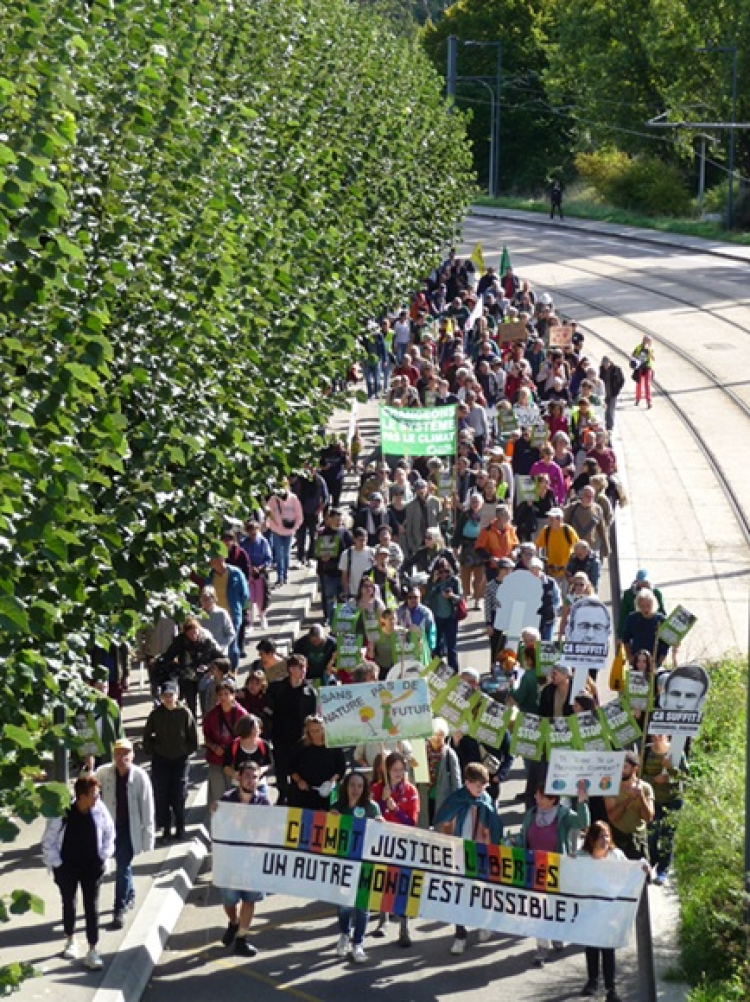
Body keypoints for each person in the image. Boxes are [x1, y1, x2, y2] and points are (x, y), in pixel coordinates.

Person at [42, 774, 115, 970]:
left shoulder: (99, 809)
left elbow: (109, 832)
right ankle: (70, 940)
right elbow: (48, 840)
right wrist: (58, 864)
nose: (97, 798)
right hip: (68, 866)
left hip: (92, 866)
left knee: (92, 906)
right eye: (93, 794)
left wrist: (103, 857)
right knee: (69, 902)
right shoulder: (63, 813)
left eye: (97, 794)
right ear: (81, 796)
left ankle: (92, 950)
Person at [434, 762, 502, 956]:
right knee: (459, 895)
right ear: (467, 783)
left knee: (480, 891)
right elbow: (442, 820)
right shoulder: (456, 800)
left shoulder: (485, 799)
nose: (481, 790)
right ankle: (460, 934)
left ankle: (483, 923)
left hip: (479, 852)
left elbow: (495, 825)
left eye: (484, 786)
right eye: (478, 786)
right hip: (458, 853)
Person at [521, 780, 590, 967]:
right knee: (538, 909)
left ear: (553, 800)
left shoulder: (564, 815)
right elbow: (523, 839)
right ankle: (541, 948)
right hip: (535, 869)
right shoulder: (530, 815)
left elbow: (583, 823)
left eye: (541, 796)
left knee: (556, 907)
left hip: (558, 869)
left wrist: (582, 802)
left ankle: (557, 935)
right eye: (536, 795)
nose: (537, 798)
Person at [96, 738, 155, 929]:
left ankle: (118, 909)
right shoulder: (103, 773)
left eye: (126, 754)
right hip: (110, 828)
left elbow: (147, 809)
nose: (122, 758)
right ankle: (129, 893)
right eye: (118, 754)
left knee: (122, 865)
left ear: (132, 755)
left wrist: (148, 836)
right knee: (121, 866)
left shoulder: (139, 777)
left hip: (130, 829)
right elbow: (92, 795)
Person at [214, 761, 270, 956]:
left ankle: (242, 938)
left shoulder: (263, 802)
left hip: (252, 862)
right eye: (247, 776)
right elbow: (218, 827)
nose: (251, 781)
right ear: (239, 777)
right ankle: (234, 922)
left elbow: (268, 829)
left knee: (249, 899)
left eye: (255, 777)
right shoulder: (227, 800)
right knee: (229, 900)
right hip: (230, 862)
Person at [331, 772, 382, 963]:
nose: (356, 790)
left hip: (364, 863)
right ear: (346, 787)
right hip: (343, 862)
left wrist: (380, 825)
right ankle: (344, 934)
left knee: (362, 906)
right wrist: (331, 819)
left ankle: (358, 943)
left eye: (360, 786)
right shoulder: (337, 807)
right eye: (352, 785)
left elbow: (379, 835)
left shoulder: (371, 808)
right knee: (343, 905)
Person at [371, 751, 420, 946]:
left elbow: (412, 821)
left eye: (401, 769)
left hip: (402, 843)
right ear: (386, 771)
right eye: (394, 770)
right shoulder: (376, 789)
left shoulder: (410, 791)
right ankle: (382, 920)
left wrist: (395, 809)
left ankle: (404, 928)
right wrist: (382, 803)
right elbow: (371, 816)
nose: (398, 773)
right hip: (382, 841)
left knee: (402, 885)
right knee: (382, 881)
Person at [142, 681, 198, 842]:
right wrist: (152, 750)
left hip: (180, 760)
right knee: (162, 795)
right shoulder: (156, 714)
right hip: (161, 759)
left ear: (177, 695)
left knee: (179, 794)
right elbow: (147, 736)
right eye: (165, 696)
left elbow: (192, 737)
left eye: (171, 695)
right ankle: (165, 828)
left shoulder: (184, 713)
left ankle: (180, 827)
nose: (168, 699)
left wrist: (185, 751)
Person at [578, 820, 627, 1001]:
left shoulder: (616, 856)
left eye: (606, 835)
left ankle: (611, 989)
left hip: (609, 913)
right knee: (591, 947)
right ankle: (592, 981)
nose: (604, 840)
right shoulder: (582, 857)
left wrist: (643, 868)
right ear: (591, 839)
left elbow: (630, 871)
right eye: (600, 836)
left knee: (608, 950)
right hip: (589, 911)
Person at [263, 656, 317, 805]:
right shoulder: (276, 688)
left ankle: (295, 795)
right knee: (281, 766)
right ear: (291, 669)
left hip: (299, 737)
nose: (303, 671)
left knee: (298, 766)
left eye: (305, 668)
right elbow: (267, 711)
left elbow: (312, 717)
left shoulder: (310, 693)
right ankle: (282, 793)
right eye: (300, 668)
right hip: (280, 735)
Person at [151, 617, 223, 721]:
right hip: (187, 675)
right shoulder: (180, 641)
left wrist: (209, 667)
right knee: (190, 702)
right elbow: (169, 655)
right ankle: (191, 723)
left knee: (206, 703)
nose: (193, 636)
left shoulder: (207, 640)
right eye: (190, 634)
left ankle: (207, 722)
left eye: (195, 632)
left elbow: (219, 656)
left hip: (205, 676)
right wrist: (160, 662)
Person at [642, 733, 686, 885]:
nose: (656, 738)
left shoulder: (677, 752)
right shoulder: (646, 752)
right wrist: (654, 780)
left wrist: (671, 769)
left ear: (667, 736)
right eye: (653, 736)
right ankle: (652, 863)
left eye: (659, 735)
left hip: (673, 800)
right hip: (653, 801)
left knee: (667, 836)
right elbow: (639, 777)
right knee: (652, 834)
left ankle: (663, 870)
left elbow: (684, 777)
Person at [203, 677, 248, 806]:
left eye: (226, 694)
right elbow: (206, 737)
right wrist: (213, 747)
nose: (223, 697)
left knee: (235, 795)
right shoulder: (211, 715)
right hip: (216, 759)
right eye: (220, 694)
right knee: (218, 797)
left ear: (233, 695)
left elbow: (247, 736)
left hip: (235, 761)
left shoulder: (242, 714)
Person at [288, 716, 346, 811]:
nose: (315, 734)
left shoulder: (333, 745)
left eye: (318, 730)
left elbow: (341, 767)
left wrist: (331, 781)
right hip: (305, 793)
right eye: (312, 731)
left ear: (323, 729)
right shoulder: (301, 745)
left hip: (326, 792)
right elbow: (291, 767)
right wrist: (299, 781)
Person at [605, 750, 654, 860]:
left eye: (625, 767)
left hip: (639, 838)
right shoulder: (611, 788)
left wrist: (641, 797)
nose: (621, 771)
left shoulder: (646, 788)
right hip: (617, 836)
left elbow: (648, 817)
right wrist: (629, 799)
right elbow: (612, 817)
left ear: (635, 768)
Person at [208, 549, 250, 671]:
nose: (210, 562)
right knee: (217, 645)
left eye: (213, 559)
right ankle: (221, 672)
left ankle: (233, 670)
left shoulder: (236, 573)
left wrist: (241, 609)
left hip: (232, 615)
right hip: (216, 616)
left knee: (232, 645)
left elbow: (245, 595)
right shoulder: (210, 575)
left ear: (221, 559)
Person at [418, 717, 461, 828]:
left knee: (440, 831)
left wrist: (456, 806)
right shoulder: (421, 752)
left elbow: (456, 782)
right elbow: (414, 779)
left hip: (443, 802)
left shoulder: (449, 754)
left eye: (441, 735)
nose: (437, 738)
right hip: (423, 800)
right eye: (435, 734)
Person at [424, 557, 463, 669]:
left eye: (446, 571)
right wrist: (433, 584)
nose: (443, 574)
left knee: (451, 648)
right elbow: (426, 599)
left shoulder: (454, 581)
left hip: (451, 617)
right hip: (436, 618)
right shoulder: (431, 582)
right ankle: (438, 673)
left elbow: (460, 598)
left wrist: (452, 596)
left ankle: (454, 675)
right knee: (436, 648)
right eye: (440, 571)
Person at [224, 714, 274, 795]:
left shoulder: (264, 745)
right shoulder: (233, 745)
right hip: (238, 786)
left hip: (259, 785)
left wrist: (261, 770)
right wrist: (234, 774)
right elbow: (226, 766)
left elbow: (269, 764)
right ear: (247, 729)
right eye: (256, 728)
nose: (260, 731)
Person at [266, 480, 304, 586]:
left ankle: (285, 575)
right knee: (279, 554)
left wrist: (295, 528)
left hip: (289, 531)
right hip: (277, 531)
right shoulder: (273, 499)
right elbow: (268, 512)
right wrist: (272, 524)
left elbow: (299, 515)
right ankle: (280, 577)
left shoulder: (293, 499)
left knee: (286, 554)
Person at [240, 520, 273, 632]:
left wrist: (260, 567)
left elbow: (268, 558)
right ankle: (250, 623)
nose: (253, 532)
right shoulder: (244, 543)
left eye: (255, 529)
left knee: (261, 598)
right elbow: (242, 558)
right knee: (249, 598)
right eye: (250, 530)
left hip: (261, 574)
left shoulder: (263, 542)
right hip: (248, 575)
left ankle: (263, 617)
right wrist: (249, 568)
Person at [622, 589, 668, 667]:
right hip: (637, 662)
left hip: (654, 661)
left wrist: (659, 663)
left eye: (648, 606)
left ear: (653, 605)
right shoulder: (632, 618)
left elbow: (665, 645)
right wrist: (630, 657)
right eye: (642, 606)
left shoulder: (661, 620)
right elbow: (626, 639)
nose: (645, 609)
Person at [339, 527, 375, 601]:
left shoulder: (372, 552)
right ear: (354, 539)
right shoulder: (347, 554)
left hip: (370, 594)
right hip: (353, 594)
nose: (363, 543)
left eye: (365, 540)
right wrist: (346, 592)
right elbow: (344, 575)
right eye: (360, 540)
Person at [198, 586, 235, 655]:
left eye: (207, 599)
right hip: (204, 653)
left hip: (220, 652)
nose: (204, 602)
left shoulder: (222, 613)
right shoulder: (198, 614)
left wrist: (222, 646)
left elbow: (231, 633)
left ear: (214, 599)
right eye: (202, 599)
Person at [631, 335, 655, 408]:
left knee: (647, 384)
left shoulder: (650, 349)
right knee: (639, 384)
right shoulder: (638, 347)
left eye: (649, 341)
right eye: (647, 340)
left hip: (648, 367)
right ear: (643, 340)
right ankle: (638, 399)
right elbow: (633, 355)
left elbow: (653, 358)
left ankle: (648, 401)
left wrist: (649, 352)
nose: (648, 342)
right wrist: (636, 359)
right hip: (640, 367)